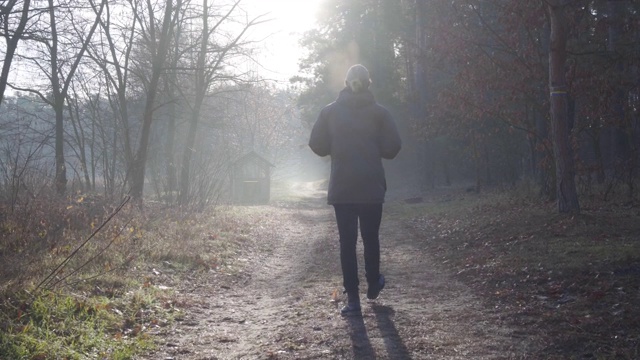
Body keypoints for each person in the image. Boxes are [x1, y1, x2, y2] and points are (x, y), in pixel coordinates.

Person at [308, 64, 402, 316]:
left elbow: (316, 143)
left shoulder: (329, 112)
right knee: (370, 237)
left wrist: (337, 147)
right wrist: (373, 149)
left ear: (346, 83)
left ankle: (353, 302)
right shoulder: (380, 114)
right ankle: (373, 284)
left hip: (343, 187)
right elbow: (393, 147)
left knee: (347, 243)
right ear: (367, 84)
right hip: (371, 187)